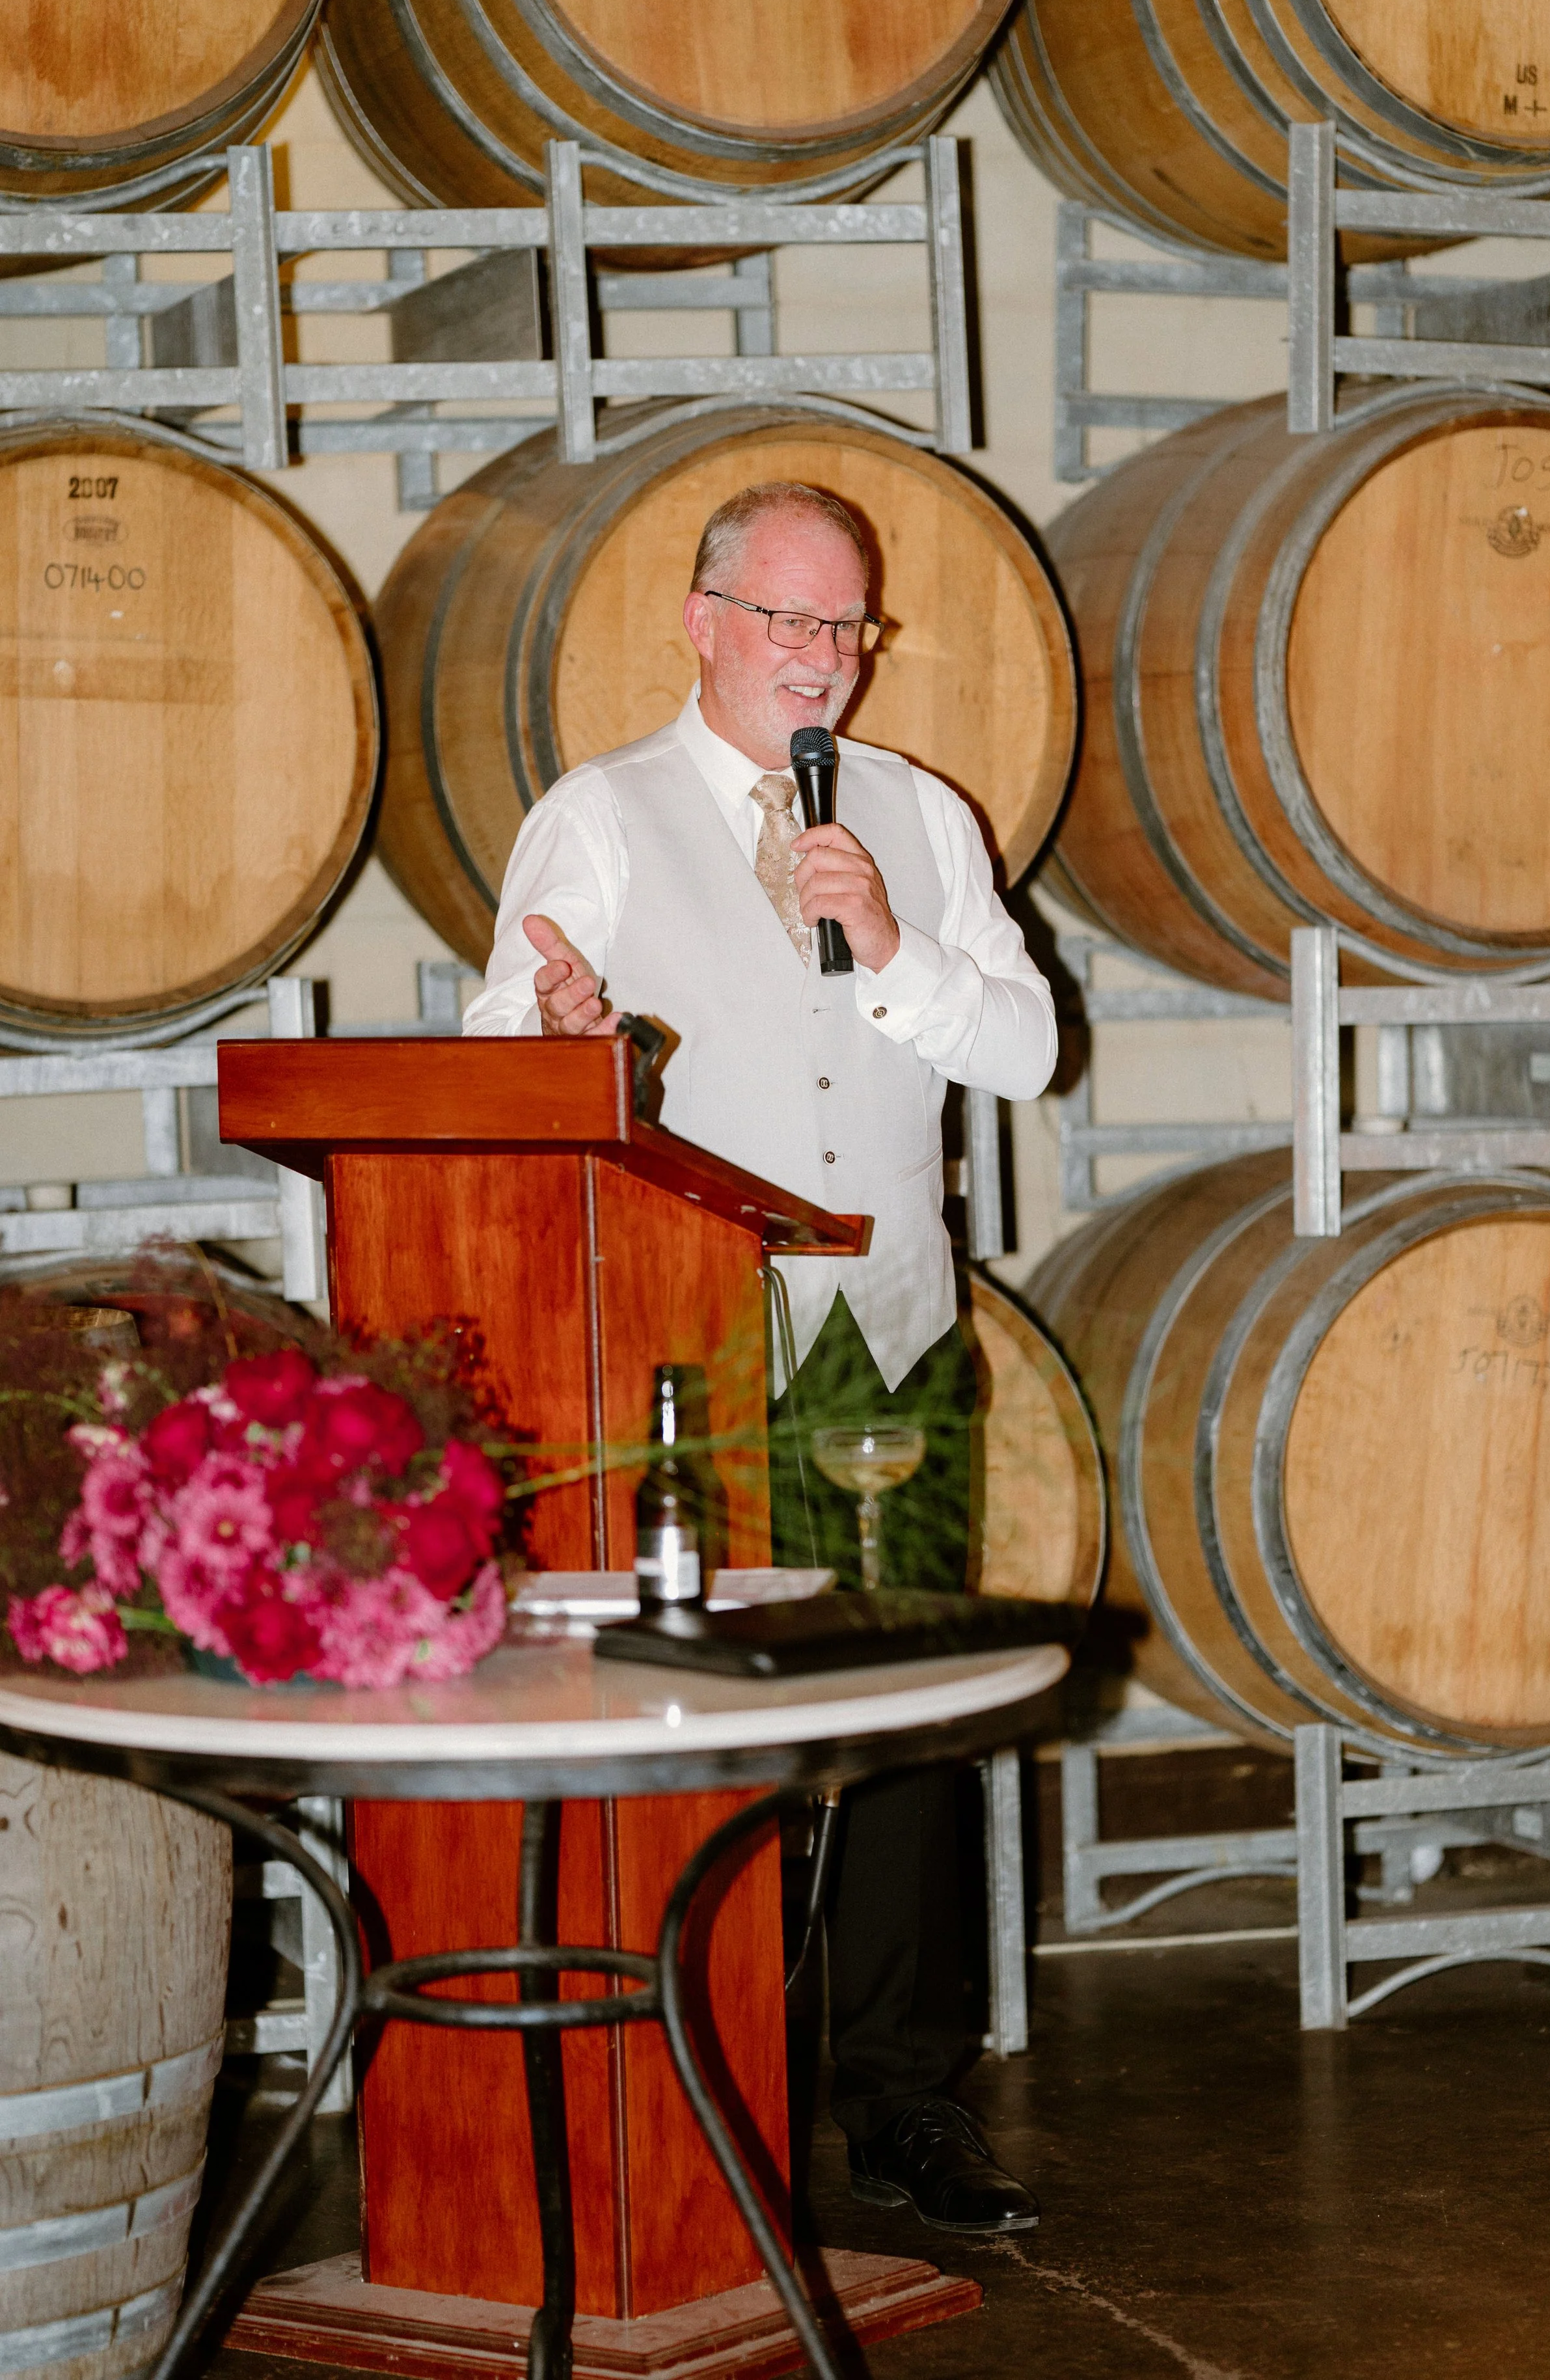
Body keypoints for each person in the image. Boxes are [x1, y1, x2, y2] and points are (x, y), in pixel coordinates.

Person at [464, 478, 1057, 2235]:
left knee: (906, 1712)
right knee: (702, 1715)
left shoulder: (920, 816)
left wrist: (885, 942)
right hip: (693, 1341)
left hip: (887, 1335)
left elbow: (1026, 1048)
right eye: (787, 621)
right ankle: (695, 2077)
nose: (820, 662)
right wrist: (566, 1040)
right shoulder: (604, 815)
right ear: (703, 619)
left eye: (846, 628)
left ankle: (900, 2097)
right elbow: (506, 1045)